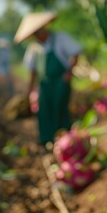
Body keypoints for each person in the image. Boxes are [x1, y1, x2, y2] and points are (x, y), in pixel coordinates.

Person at [14, 12, 82, 147]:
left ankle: (66, 140)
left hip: (60, 82)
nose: (38, 36)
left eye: (39, 32)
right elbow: (32, 71)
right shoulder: (34, 48)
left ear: (44, 28)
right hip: (45, 85)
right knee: (44, 111)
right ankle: (48, 141)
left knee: (60, 108)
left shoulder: (59, 38)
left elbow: (75, 53)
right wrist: (30, 91)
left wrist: (68, 73)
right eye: (35, 34)